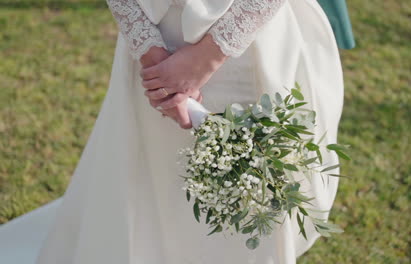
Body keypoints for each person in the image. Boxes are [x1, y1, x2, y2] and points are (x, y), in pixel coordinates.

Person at [0, 0, 344, 263]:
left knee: (248, 205)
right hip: (154, 30)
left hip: (246, 40)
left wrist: (208, 56)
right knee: (155, 177)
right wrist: (151, 57)